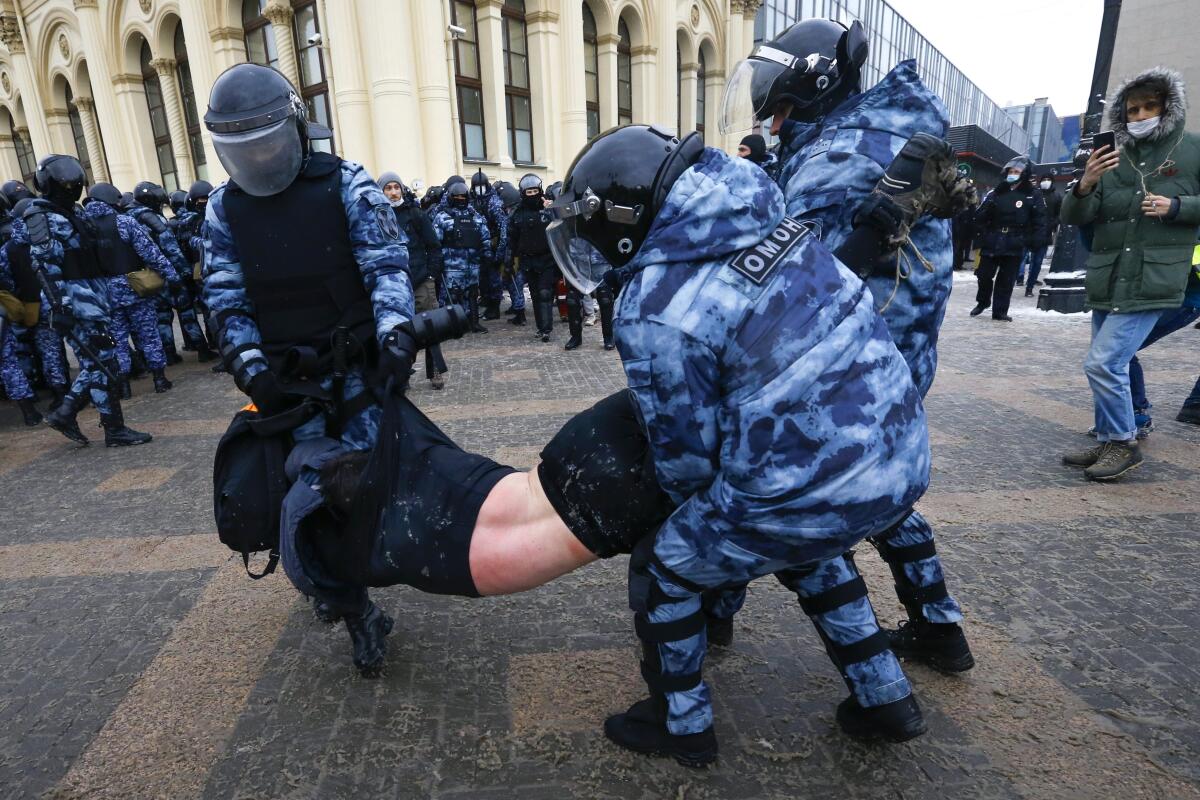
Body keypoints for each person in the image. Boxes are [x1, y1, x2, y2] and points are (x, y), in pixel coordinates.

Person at [716, 18, 975, 677]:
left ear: (815, 84)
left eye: (778, 102)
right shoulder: (878, 129)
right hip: (891, 352)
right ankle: (939, 628)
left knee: (777, 489)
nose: (773, 119)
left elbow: (802, 277)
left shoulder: (842, 155)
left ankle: (872, 684)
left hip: (846, 357)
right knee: (884, 496)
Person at [200, 63, 415, 673]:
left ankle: (351, 575)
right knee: (309, 492)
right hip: (287, 384)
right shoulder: (223, 210)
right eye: (247, 149)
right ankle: (353, 608)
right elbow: (225, 295)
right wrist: (251, 372)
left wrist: (397, 337)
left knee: (370, 487)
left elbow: (385, 267)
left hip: (357, 372)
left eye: (269, 143)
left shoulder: (347, 183)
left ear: (296, 129)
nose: (261, 159)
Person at [1061, 66, 1200, 480]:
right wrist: (1084, 184)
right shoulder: (1112, 159)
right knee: (1107, 362)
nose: (1140, 116)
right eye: (1132, 110)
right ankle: (1109, 438)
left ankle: (1123, 442)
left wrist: (1176, 208)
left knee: (1104, 363)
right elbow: (1077, 216)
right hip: (1109, 275)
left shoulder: (1191, 150)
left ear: (1168, 107)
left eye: (1149, 107)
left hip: (1154, 277)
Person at [25, 155, 153, 447]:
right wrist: (60, 308)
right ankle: (94, 421)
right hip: (75, 301)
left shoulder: (73, 212)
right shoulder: (41, 216)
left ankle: (80, 417)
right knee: (103, 360)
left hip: (94, 297)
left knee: (101, 360)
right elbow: (44, 267)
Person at [82, 182, 177, 397]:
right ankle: (159, 379)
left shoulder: (83, 228)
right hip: (135, 288)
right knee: (148, 334)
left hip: (104, 294)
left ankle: (124, 386)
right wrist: (172, 276)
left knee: (117, 340)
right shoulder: (124, 222)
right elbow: (151, 253)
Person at [128, 181, 217, 363]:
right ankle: (202, 349)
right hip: (168, 273)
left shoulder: (127, 218)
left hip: (146, 276)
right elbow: (171, 249)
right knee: (186, 313)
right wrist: (184, 273)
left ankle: (169, 353)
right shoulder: (154, 219)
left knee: (162, 316)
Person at [379, 171, 448, 390]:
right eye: (388, 188)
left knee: (429, 328)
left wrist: (431, 275)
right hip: (392, 283)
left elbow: (433, 246)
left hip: (420, 279)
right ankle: (401, 372)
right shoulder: (375, 216)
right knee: (396, 331)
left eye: (396, 187)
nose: (392, 192)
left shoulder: (415, 214)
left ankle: (435, 370)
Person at [970, 155, 1047, 321]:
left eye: (1017, 171)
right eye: (1011, 171)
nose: (1013, 173)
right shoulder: (997, 192)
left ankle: (1000, 311)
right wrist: (984, 219)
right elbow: (978, 217)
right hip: (993, 239)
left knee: (1006, 280)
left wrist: (1034, 241)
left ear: (1025, 173)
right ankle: (983, 302)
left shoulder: (1033, 195)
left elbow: (1040, 220)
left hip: (1015, 241)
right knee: (983, 275)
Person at [432, 181, 491, 334]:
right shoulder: (442, 217)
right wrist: (437, 262)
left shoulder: (476, 216)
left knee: (472, 294)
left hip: (472, 265)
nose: (460, 199)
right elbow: (435, 242)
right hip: (452, 265)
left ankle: (474, 323)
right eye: (456, 196)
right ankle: (450, 327)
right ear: (451, 198)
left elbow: (485, 237)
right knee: (452, 296)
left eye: (462, 196)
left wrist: (487, 254)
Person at [508, 174, 557, 340]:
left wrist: (553, 209)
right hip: (528, 259)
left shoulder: (548, 208)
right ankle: (540, 327)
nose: (533, 194)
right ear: (523, 193)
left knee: (545, 293)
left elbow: (562, 226)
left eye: (535, 191)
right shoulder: (517, 213)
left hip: (547, 258)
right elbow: (512, 238)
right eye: (529, 192)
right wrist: (509, 261)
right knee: (535, 294)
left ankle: (547, 329)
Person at [469, 170, 509, 321]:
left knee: (494, 280)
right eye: (476, 186)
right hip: (479, 247)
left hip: (492, 246)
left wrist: (499, 252)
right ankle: (486, 303)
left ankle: (494, 307)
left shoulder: (494, 202)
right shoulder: (472, 202)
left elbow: (503, 228)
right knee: (483, 279)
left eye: (482, 186)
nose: (479, 189)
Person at [1023, 174, 1062, 294]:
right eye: (1043, 179)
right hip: (1028, 232)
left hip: (1044, 233)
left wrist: (1052, 224)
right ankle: (1018, 278)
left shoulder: (1056, 196)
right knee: (1020, 258)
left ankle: (1029, 286)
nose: (1046, 181)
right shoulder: (1034, 194)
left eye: (1048, 179)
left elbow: (1059, 214)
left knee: (1037, 262)